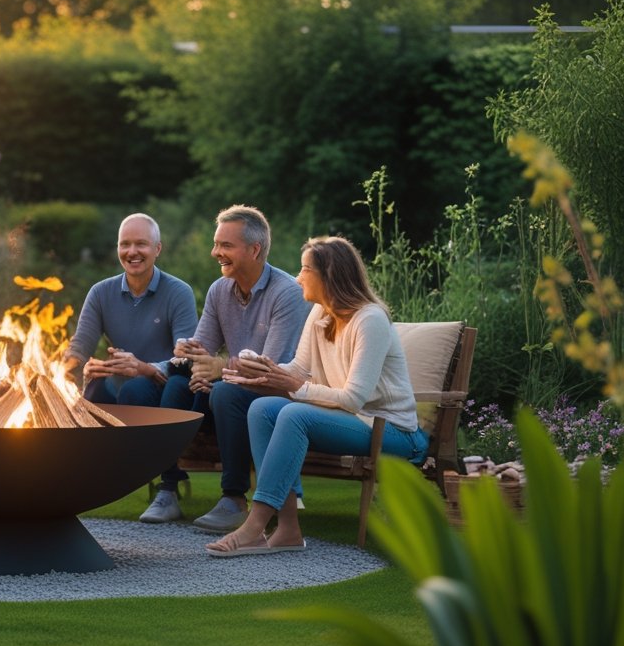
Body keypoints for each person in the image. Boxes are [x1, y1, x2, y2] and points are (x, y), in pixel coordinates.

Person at [205, 236, 429, 557]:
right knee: (263, 409)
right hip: (349, 421)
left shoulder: (370, 320)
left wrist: (293, 386)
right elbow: (298, 367)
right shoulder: (319, 313)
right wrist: (261, 371)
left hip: (391, 430)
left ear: (329, 275)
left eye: (304, 269)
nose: (297, 278)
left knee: (294, 414)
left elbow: (352, 398)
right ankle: (288, 529)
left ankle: (254, 527)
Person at [160, 205, 312, 531]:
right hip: (232, 388)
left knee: (226, 393)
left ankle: (234, 499)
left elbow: (269, 369)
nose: (216, 252)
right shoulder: (219, 290)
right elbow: (205, 348)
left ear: (254, 249)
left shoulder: (287, 294)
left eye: (225, 246)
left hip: (274, 395)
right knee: (177, 383)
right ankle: (168, 489)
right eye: (216, 244)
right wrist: (192, 357)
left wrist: (218, 369)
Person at [63, 213, 199, 523]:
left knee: (137, 386)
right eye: (125, 244)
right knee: (93, 386)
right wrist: (61, 371)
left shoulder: (178, 292)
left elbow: (187, 357)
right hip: (120, 386)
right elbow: (79, 348)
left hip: (166, 384)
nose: (132, 252)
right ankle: (79, 481)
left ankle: (168, 489)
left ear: (158, 249)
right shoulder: (101, 292)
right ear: (117, 248)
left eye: (141, 244)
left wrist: (145, 367)